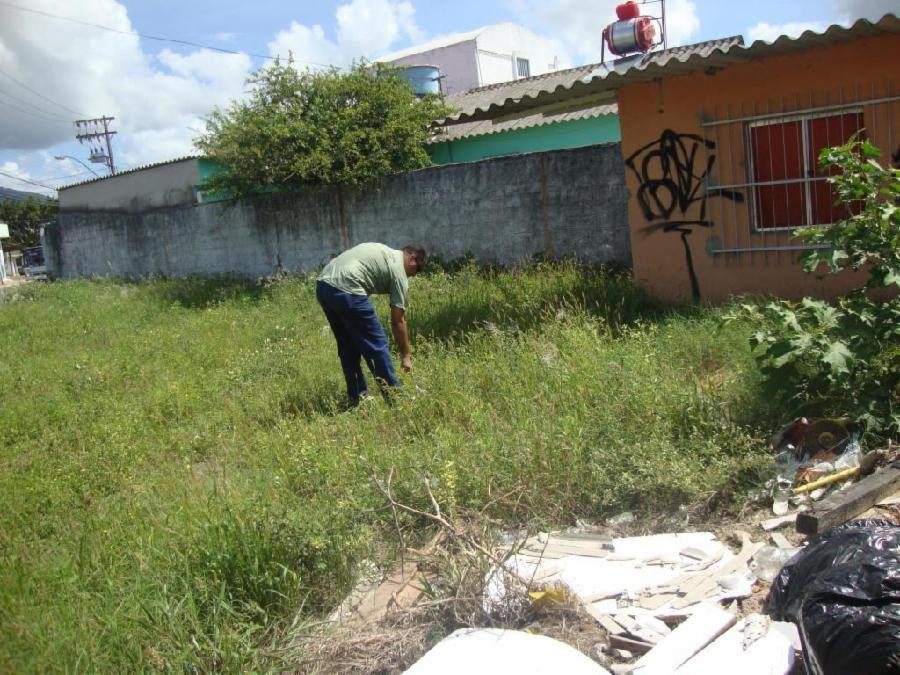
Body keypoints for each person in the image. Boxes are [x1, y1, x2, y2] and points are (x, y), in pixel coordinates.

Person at [316, 242, 426, 405]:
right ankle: (396, 398)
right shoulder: (399, 272)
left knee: (348, 346)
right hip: (348, 289)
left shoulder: (384, 251)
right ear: (412, 258)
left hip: (324, 286)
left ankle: (357, 397)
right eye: (416, 271)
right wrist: (406, 356)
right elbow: (397, 321)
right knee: (377, 345)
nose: (414, 276)